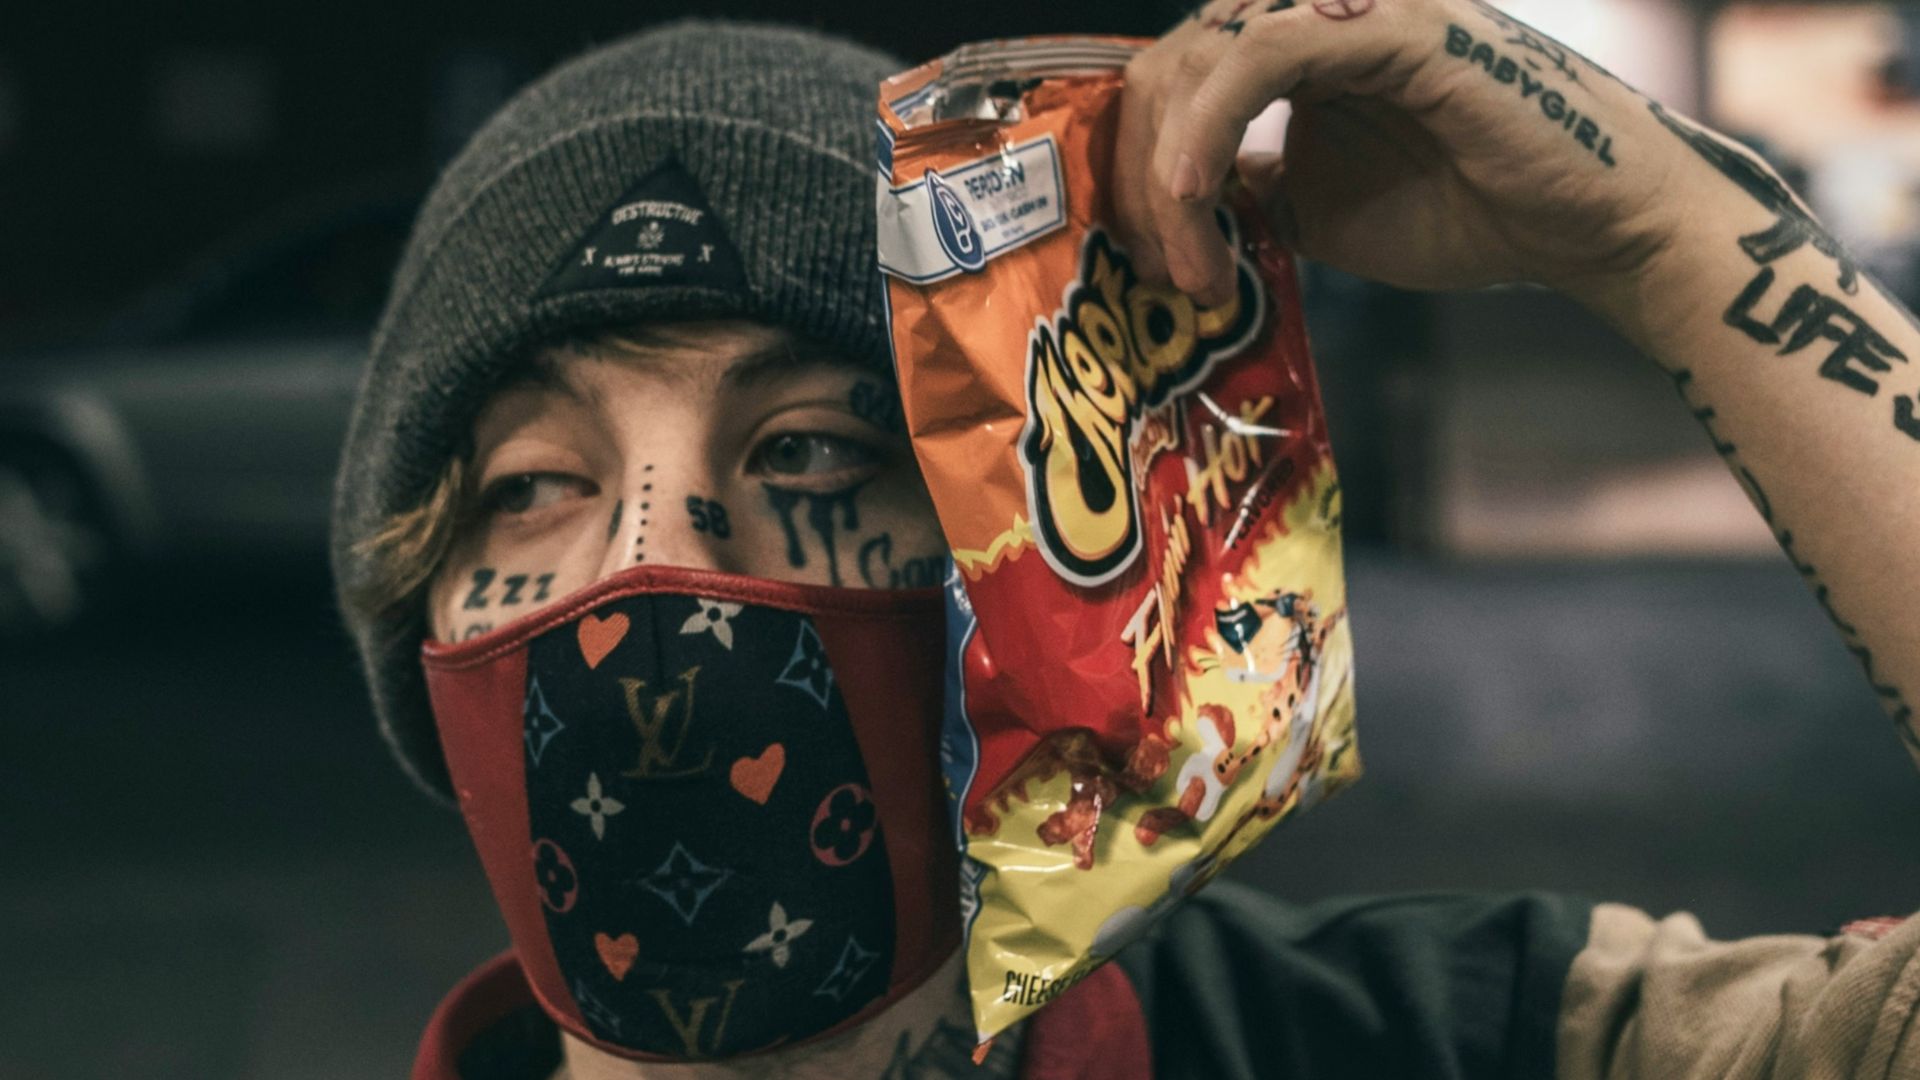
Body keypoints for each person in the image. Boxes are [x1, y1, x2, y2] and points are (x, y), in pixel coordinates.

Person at [330, 5, 1920, 1078]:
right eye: (528, 484)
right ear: (421, 624)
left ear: (1023, 557)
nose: (650, 562)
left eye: (809, 447)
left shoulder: (1458, 1037)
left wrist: (1668, 238)